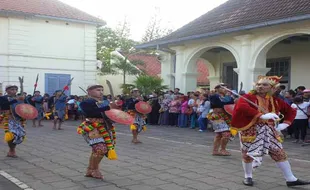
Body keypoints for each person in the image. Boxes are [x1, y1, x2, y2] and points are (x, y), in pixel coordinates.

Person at [231, 75, 310, 187]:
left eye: (264, 84)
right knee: (247, 154)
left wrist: (285, 123)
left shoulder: (276, 100)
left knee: (279, 153)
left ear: (272, 87)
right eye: (258, 84)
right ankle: (248, 176)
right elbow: (241, 107)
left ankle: (290, 178)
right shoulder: (248, 97)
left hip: (270, 130)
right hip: (250, 130)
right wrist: (260, 115)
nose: (260, 87)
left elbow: (291, 111)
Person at [77, 84, 117, 179]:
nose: (101, 92)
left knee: (97, 150)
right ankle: (95, 170)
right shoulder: (86, 102)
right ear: (89, 91)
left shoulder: (104, 102)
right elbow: (91, 112)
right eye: (98, 90)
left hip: (105, 127)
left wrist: (115, 111)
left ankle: (90, 169)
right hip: (93, 128)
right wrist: (108, 108)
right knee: (100, 149)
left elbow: (109, 114)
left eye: (102, 90)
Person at [207, 83, 234, 156]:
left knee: (219, 134)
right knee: (226, 133)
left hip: (226, 116)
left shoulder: (228, 97)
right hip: (218, 116)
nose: (225, 89)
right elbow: (219, 104)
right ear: (217, 89)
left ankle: (215, 151)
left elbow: (231, 104)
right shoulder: (214, 96)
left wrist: (231, 98)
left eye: (226, 88)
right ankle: (222, 149)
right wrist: (228, 99)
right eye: (223, 88)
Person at [0, 85, 26, 157]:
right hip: (8, 119)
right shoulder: (3, 98)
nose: (14, 91)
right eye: (12, 89)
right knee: (11, 135)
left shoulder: (20, 98)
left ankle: (12, 149)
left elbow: (26, 108)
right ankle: (12, 150)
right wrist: (16, 100)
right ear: (7, 90)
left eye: (15, 89)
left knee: (19, 135)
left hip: (19, 119)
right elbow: (3, 105)